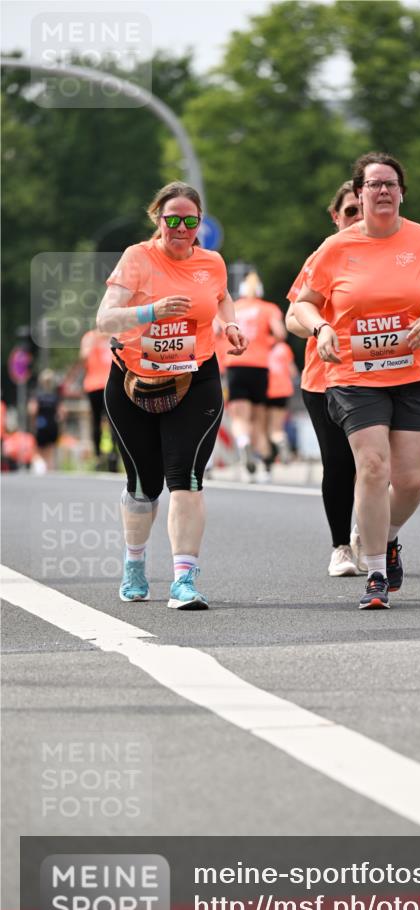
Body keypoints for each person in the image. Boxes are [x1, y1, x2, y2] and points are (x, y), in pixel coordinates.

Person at [294, 152, 420, 608]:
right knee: (371, 467)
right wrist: (322, 327)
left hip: (415, 373)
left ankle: (386, 537)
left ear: (402, 193)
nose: (383, 191)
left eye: (391, 184)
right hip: (354, 374)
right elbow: (301, 306)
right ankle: (375, 573)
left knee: (409, 481)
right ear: (360, 192)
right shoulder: (337, 248)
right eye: (374, 184)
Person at [96, 180, 247, 609]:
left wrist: (229, 324)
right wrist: (150, 312)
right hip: (133, 381)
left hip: (196, 378)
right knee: (145, 485)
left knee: (187, 479)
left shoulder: (212, 261)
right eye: (172, 220)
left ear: (200, 223)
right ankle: (135, 563)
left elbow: (222, 296)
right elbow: (105, 319)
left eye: (190, 221)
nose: (181, 228)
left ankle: (184, 579)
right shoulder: (137, 259)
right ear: (157, 220)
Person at [285, 180, 366, 577]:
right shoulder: (323, 256)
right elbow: (291, 317)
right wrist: (321, 327)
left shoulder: (398, 250)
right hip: (326, 377)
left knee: (380, 464)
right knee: (339, 463)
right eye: (350, 211)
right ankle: (341, 547)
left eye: (362, 208)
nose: (358, 217)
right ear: (336, 217)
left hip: (383, 373)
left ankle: (372, 529)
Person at [225, 272, 286, 482]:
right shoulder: (269, 308)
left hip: (235, 365)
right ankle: (266, 467)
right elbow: (280, 334)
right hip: (259, 367)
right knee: (259, 421)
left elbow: (216, 329)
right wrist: (265, 342)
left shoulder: (233, 307)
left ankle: (243, 442)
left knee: (239, 417)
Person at [80, 328, 119, 471]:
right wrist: (93, 343)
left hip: (110, 384)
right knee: (96, 421)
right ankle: (98, 455)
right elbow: (84, 356)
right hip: (94, 385)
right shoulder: (90, 337)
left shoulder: (115, 335)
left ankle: (113, 455)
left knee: (114, 421)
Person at [266, 339, 298, 467]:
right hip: (284, 391)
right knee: (278, 427)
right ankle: (281, 440)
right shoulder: (284, 348)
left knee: (267, 428)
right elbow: (293, 372)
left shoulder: (261, 346)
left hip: (267, 390)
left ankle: (268, 459)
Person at [27, 369, 63, 472]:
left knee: (39, 450)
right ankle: (50, 471)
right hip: (52, 426)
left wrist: (33, 422)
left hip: (41, 425)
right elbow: (62, 414)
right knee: (50, 452)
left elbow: (33, 410)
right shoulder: (56, 396)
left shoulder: (38, 396)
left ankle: (41, 469)